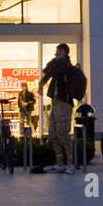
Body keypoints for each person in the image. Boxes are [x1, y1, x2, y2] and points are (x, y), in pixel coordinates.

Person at [38, 43, 76, 175]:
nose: (56, 53)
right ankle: (59, 163)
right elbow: (47, 70)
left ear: (64, 52)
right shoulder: (56, 63)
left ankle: (70, 164)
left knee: (63, 133)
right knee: (53, 134)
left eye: (58, 51)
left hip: (64, 103)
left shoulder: (65, 65)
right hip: (55, 102)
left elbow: (51, 70)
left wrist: (56, 60)